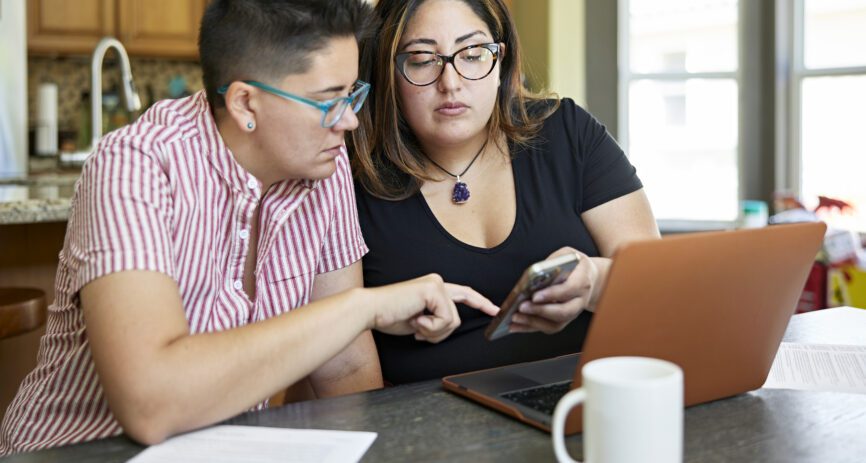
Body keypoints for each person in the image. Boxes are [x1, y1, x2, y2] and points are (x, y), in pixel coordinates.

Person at [0, 0, 499, 455]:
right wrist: (365, 307)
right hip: (74, 451)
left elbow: (344, 369)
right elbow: (152, 405)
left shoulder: (322, 167)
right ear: (244, 105)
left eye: (353, 94)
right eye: (329, 100)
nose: (349, 121)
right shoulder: (134, 165)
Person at [349, 0, 660, 385]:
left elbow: (656, 288)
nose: (451, 82)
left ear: (501, 61)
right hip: (429, 429)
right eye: (422, 59)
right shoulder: (350, 179)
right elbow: (345, 366)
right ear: (388, 72)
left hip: (585, 403)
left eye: (474, 54)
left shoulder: (568, 133)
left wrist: (594, 280)